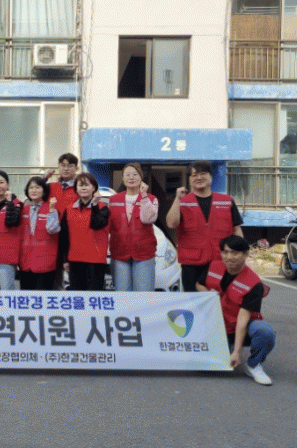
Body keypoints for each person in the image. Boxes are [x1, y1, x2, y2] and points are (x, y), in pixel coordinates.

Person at [196, 235, 275, 385]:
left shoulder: (254, 284)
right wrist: (208, 293)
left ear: (246, 254)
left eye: (235, 253)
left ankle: (253, 365)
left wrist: (237, 352)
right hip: (218, 325)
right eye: (225, 252)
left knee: (265, 331)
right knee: (205, 367)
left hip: (242, 326)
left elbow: (242, 320)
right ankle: (226, 347)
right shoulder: (214, 266)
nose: (229, 257)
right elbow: (199, 284)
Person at [166, 161, 244, 292]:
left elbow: (237, 229)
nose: (199, 178)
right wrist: (177, 199)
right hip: (191, 265)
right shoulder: (182, 202)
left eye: (203, 174)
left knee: (220, 299)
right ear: (189, 179)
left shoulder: (226, 201)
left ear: (211, 177)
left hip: (221, 262)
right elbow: (171, 223)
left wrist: (240, 255)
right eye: (194, 175)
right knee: (193, 301)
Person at [109, 163, 158, 291]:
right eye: (128, 175)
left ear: (141, 177)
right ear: (123, 178)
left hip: (144, 254)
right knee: (123, 294)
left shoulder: (151, 199)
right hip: (120, 254)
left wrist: (144, 195)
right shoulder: (113, 200)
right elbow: (108, 226)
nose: (131, 178)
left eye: (135, 174)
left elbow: (148, 219)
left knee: (143, 294)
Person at [61, 172, 110, 291]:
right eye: (80, 185)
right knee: (77, 295)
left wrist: (94, 205)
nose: (83, 188)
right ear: (76, 188)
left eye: (87, 185)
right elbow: (64, 236)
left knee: (94, 296)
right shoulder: (69, 209)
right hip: (74, 259)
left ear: (94, 188)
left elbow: (97, 224)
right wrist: (65, 259)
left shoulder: (103, 208)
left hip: (95, 260)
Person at [44, 153, 80, 289]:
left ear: (76, 168)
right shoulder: (50, 187)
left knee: (74, 280)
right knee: (53, 279)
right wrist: (44, 177)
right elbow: (32, 190)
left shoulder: (80, 187)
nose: (65, 168)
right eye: (63, 165)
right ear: (58, 167)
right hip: (51, 237)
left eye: (70, 166)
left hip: (73, 239)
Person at [19, 176, 60, 290]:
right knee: (26, 297)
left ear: (44, 190)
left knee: (42, 297)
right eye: (31, 188)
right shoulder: (24, 209)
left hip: (45, 263)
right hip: (26, 262)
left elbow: (53, 229)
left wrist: (52, 210)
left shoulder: (51, 209)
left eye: (37, 187)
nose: (34, 190)